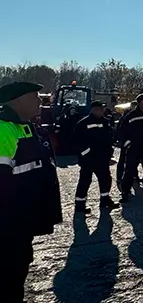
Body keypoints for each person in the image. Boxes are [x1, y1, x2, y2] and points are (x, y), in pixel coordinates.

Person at [0, 82, 63, 302]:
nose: (40, 101)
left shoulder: (27, 127)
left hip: (21, 221)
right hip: (8, 224)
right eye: (35, 97)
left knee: (18, 269)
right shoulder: (3, 129)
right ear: (18, 100)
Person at [73, 101, 120, 213]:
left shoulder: (105, 122)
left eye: (102, 109)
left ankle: (105, 201)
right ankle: (80, 205)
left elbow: (110, 137)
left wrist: (110, 151)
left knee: (105, 180)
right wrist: (87, 153)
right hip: (88, 160)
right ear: (93, 109)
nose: (101, 111)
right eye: (99, 109)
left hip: (102, 159)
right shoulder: (83, 123)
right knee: (85, 181)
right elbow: (77, 141)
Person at [115, 100, 140, 188]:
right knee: (122, 160)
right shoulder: (126, 116)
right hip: (126, 142)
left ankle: (134, 175)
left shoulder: (139, 115)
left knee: (135, 160)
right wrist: (123, 141)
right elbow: (120, 129)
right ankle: (119, 176)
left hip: (136, 143)